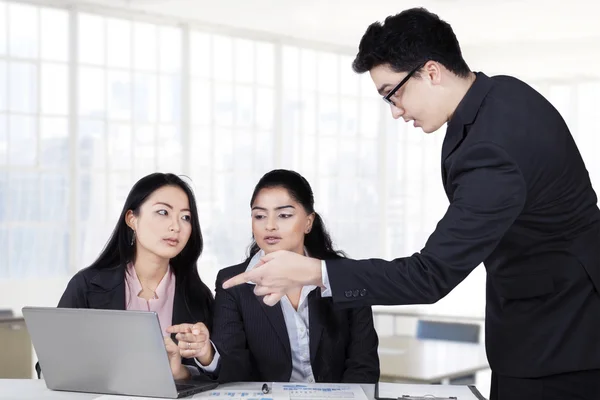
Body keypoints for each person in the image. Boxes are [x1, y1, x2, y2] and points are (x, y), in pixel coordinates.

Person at [223, 8, 600, 400]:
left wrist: (316, 271)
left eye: (393, 93)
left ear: (432, 72)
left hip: (559, 341)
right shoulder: (502, 94)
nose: (396, 111)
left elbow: (431, 273)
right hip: (558, 323)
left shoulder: (491, 149)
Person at [171, 169, 379, 383]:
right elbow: (235, 370)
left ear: (308, 222)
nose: (269, 225)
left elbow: (363, 366)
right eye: (259, 216)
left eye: (284, 215)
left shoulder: (342, 276)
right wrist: (208, 354)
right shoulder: (234, 283)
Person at [50, 173, 214, 380]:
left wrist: (182, 372)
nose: (176, 226)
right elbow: (49, 366)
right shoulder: (86, 287)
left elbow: (220, 377)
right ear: (132, 219)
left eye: (185, 217)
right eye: (163, 212)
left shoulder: (200, 297)